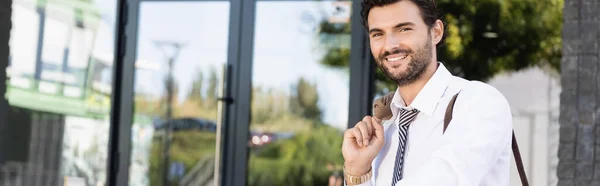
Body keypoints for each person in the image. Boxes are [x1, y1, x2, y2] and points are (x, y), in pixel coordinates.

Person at [341, 0, 513, 186]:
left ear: (436, 32)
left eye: (404, 29)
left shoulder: (479, 102)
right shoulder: (384, 128)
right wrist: (357, 171)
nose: (389, 45)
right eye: (378, 34)